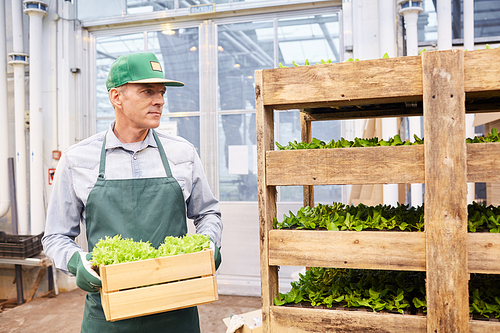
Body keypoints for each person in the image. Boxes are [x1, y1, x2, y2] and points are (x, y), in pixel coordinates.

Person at [42, 52, 222, 332]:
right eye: (147, 91)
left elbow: (208, 212)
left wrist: (209, 244)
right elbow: (56, 235)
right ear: (116, 97)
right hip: (109, 313)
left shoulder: (182, 153)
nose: (160, 100)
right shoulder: (78, 159)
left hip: (176, 308)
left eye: (161, 92)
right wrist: (78, 262)